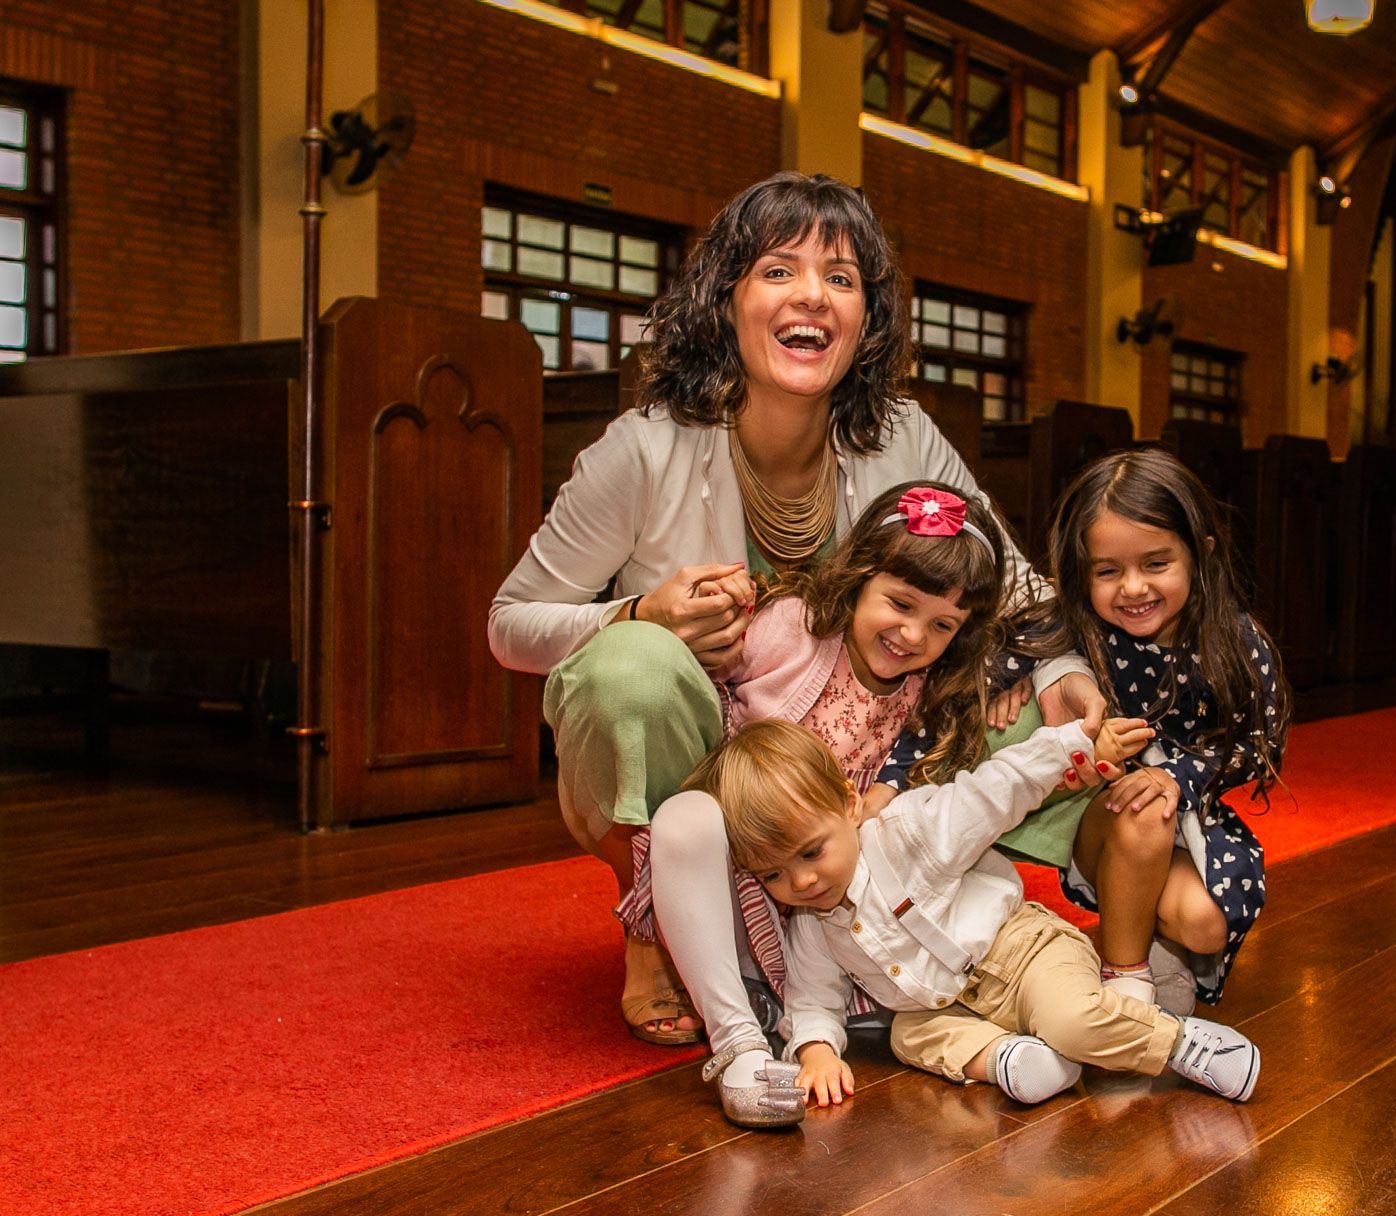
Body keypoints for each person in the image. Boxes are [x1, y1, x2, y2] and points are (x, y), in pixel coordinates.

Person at [487, 172, 1101, 1125]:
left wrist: (1058, 669)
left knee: (1038, 707)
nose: (812, 294)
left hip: (864, 764)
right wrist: (635, 613)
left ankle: (991, 929)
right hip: (712, 762)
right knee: (629, 671)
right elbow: (510, 622)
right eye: (779, 269)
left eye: (841, 277)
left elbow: (1009, 578)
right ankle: (646, 912)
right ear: (729, 297)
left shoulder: (899, 436)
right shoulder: (642, 450)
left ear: (866, 320)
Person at [877, 449, 1290, 1010]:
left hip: (1192, 814)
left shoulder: (1238, 643)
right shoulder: (1067, 624)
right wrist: (893, 781)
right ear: (1081, 572)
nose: (1133, 588)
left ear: (1201, 555)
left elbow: (1255, 746)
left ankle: (1157, 940)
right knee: (1142, 806)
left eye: (1156, 563)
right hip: (1102, 816)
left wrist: (1178, 779)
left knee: (1203, 925)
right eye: (1108, 571)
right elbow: (951, 700)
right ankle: (1127, 978)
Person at [685, 718, 1262, 1114]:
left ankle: (1181, 1045)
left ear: (848, 802)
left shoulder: (910, 832)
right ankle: (1014, 1060)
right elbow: (812, 999)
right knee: (908, 1035)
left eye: (811, 852)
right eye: (773, 875)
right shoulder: (813, 925)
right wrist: (814, 1050)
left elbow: (994, 790)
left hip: (1025, 953)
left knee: (1072, 1020)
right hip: (949, 1007)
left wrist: (1068, 748)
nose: (802, 882)